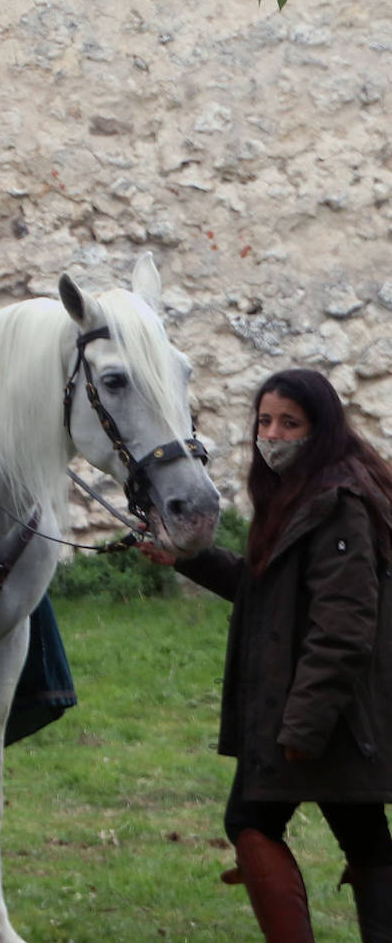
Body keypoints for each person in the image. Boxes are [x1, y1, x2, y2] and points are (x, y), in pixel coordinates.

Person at [139, 369, 392, 942]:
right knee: (359, 831)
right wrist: (183, 556)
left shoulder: (338, 502)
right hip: (310, 708)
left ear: (320, 428)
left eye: (289, 423)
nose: (272, 435)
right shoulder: (297, 493)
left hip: (325, 712)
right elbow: (264, 589)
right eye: (265, 421)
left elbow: (346, 625)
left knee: (255, 822)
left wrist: (304, 722)